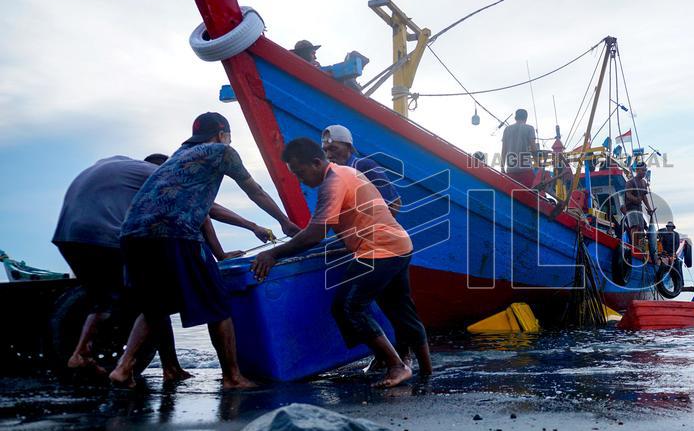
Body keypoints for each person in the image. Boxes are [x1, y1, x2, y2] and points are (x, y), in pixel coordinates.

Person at [109, 112, 301, 389]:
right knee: (217, 304)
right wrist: (284, 222)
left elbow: (203, 207)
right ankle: (233, 377)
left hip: (132, 235)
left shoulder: (179, 154)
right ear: (222, 134)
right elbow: (254, 190)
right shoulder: (222, 151)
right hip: (174, 234)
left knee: (154, 307)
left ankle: (124, 368)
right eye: (229, 136)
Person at [52, 153, 274, 377]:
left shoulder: (115, 167)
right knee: (156, 300)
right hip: (108, 235)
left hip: (68, 234)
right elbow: (206, 209)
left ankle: (82, 353)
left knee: (107, 299)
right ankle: (153, 367)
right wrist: (246, 231)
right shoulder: (157, 176)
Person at [251, 138, 431, 387]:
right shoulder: (346, 171)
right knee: (401, 309)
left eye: (300, 173)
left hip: (378, 251)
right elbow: (329, 225)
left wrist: (272, 254)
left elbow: (316, 233)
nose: (300, 180)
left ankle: (396, 365)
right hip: (400, 246)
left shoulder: (331, 183)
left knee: (347, 307)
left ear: (316, 163)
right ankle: (427, 372)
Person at [321, 124, 401, 216]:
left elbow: (394, 203)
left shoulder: (364, 166)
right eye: (325, 151)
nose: (328, 155)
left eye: (333, 149)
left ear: (349, 148)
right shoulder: (332, 177)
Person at [500, 109, 538, 187]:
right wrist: (538, 164)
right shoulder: (529, 128)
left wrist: (502, 167)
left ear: (515, 118)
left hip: (511, 170)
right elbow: (533, 148)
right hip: (526, 170)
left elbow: (504, 150)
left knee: (512, 195)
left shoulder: (507, 129)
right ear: (526, 118)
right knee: (530, 195)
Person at [622, 162, 655, 239]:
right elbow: (628, 195)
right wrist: (636, 199)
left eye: (645, 170)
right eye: (642, 170)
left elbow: (644, 197)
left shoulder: (644, 182)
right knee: (635, 226)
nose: (644, 172)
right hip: (630, 207)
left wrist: (649, 209)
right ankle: (634, 245)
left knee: (641, 228)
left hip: (639, 207)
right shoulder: (630, 182)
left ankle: (640, 245)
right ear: (637, 170)